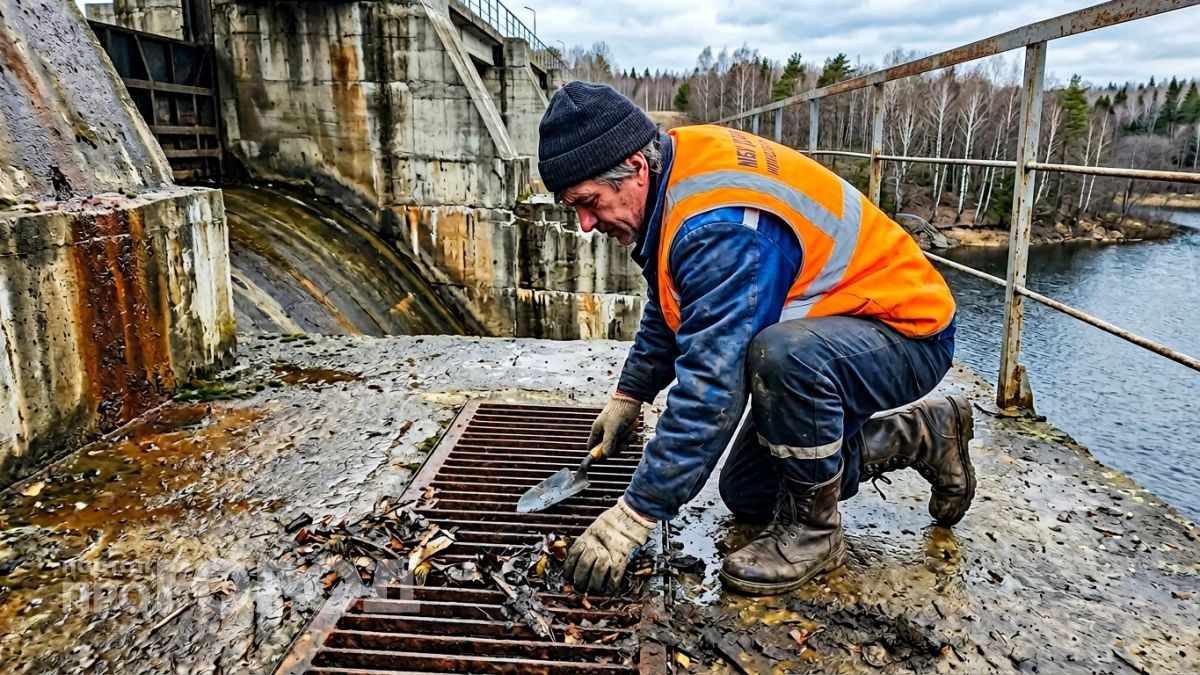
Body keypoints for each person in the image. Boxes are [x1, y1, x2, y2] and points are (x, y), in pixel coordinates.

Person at [538, 82, 975, 596]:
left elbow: (712, 389)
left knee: (784, 357)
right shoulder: (672, 172)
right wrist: (630, 394)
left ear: (635, 168)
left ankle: (815, 535)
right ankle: (921, 434)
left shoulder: (718, 226)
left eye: (589, 202)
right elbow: (675, 299)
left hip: (905, 334)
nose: (585, 224)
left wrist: (634, 516)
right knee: (750, 493)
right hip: (840, 331)